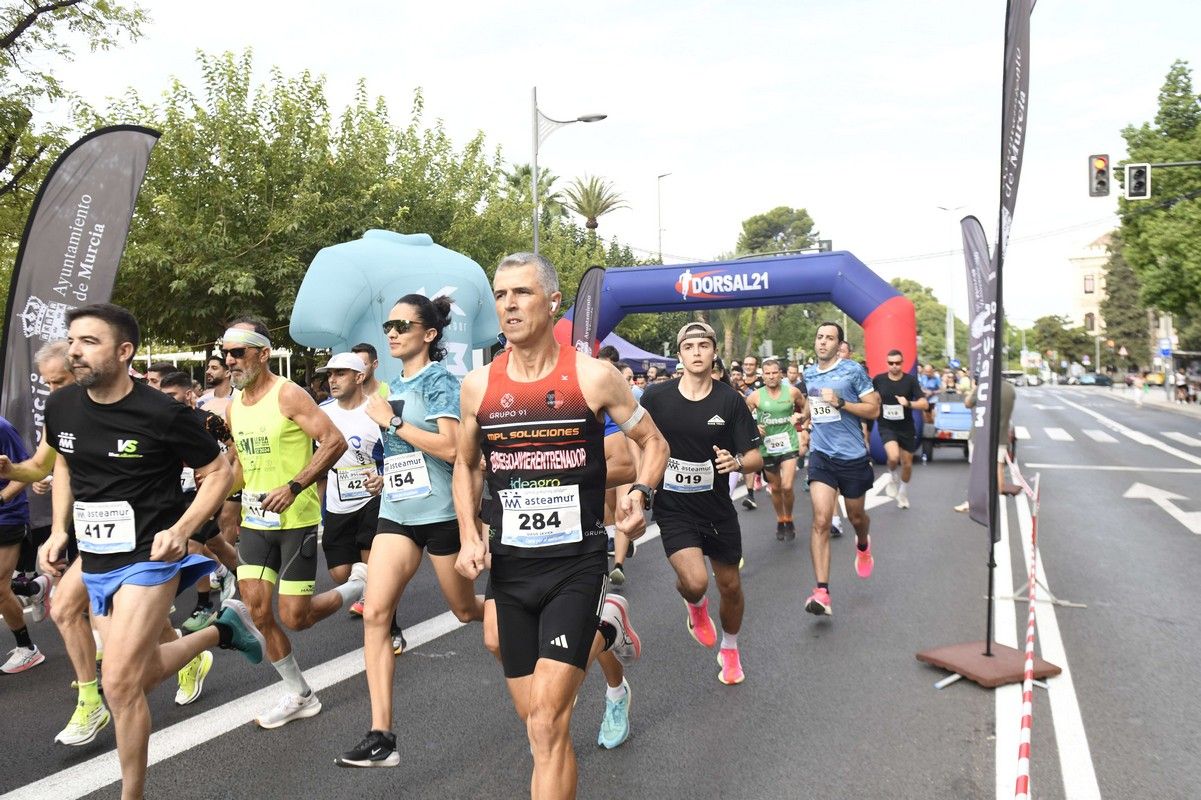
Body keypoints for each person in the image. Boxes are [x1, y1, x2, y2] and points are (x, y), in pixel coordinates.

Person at [453, 252, 668, 800]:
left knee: (547, 724)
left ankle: (601, 616)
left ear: (552, 303)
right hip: (511, 567)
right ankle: (608, 631)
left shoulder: (594, 377)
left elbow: (653, 442)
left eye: (521, 293)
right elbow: (467, 463)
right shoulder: (479, 386)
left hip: (577, 563)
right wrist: (468, 535)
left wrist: (641, 495)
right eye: (500, 295)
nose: (508, 305)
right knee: (539, 725)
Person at [40, 303, 264, 799]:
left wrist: (182, 529)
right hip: (95, 556)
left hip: (150, 555)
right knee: (139, 670)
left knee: (119, 684)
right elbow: (63, 467)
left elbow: (219, 473)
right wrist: (57, 530)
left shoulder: (163, 412)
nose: (75, 352)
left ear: (124, 352)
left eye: (89, 342)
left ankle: (132, 794)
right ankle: (219, 630)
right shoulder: (61, 407)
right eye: (73, 340)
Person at [336, 296, 487, 768]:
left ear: (430, 335)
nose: (393, 331)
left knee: (465, 610)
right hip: (397, 512)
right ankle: (382, 735)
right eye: (389, 324)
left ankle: (519, 608)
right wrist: (389, 471)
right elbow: (407, 450)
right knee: (377, 612)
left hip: (442, 513)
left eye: (403, 324)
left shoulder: (441, 380)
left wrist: (394, 421)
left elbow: (454, 449)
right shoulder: (393, 384)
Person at [222, 318, 362, 729]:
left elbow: (334, 441)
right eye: (225, 352)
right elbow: (242, 466)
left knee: (296, 617)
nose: (230, 360)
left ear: (263, 354)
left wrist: (295, 486)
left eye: (239, 352)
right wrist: (221, 497)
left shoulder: (289, 395)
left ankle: (357, 585)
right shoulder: (234, 405)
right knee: (258, 610)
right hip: (255, 521)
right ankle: (300, 693)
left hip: (295, 520)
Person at [640, 322, 763, 684]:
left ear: (713, 353)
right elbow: (638, 442)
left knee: (730, 586)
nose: (696, 352)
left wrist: (736, 462)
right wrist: (638, 488)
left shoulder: (729, 400)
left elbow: (755, 456)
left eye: (703, 345)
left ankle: (730, 647)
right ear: (679, 355)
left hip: (717, 509)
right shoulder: (655, 398)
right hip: (674, 507)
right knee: (695, 582)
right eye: (689, 346)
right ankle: (695, 605)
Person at [802, 322, 881, 617]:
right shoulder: (809, 373)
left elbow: (873, 409)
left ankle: (863, 544)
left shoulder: (853, 371)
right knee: (821, 520)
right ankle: (822, 591)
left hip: (852, 457)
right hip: (821, 455)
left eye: (829, 338)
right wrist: (804, 417)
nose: (823, 342)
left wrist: (842, 403)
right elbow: (814, 404)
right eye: (819, 337)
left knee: (856, 516)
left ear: (839, 344)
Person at [156, 372, 239, 633]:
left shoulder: (208, 421)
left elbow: (234, 444)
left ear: (189, 395)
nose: (165, 401)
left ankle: (204, 605)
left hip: (205, 495)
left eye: (171, 396)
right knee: (215, 543)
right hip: (177, 495)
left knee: (192, 546)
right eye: (162, 395)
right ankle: (241, 575)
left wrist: (219, 469)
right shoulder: (160, 422)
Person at [0, 413, 45, 673]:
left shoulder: (3, 428)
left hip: (7, 516)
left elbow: (28, 470)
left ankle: (27, 649)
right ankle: (29, 588)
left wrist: (2, 498)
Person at [746, 358, 808, 540]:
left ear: (781, 374)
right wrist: (753, 427)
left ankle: (789, 517)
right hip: (767, 447)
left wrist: (802, 419)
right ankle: (780, 519)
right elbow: (742, 418)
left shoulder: (792, 392)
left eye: (775, 373)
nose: (772, 376)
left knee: (787, 486)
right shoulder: (755, 396)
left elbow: (806, 408)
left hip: (789, 444)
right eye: (768, 373)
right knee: (776, 488)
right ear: (762, 375)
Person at [872, 350, 928, 510]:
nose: (894, 366)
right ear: (887, 363)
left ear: (902, 363)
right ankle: (891, 475)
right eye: (891, 363)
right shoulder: (879, 380)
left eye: (897, 363)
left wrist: (909, 403)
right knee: (893, 456)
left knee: (907, 464)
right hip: (886, 425)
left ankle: (902, 493)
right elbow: (871, 396)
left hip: (906, 427)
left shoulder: (910, 381)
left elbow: (924, 404)